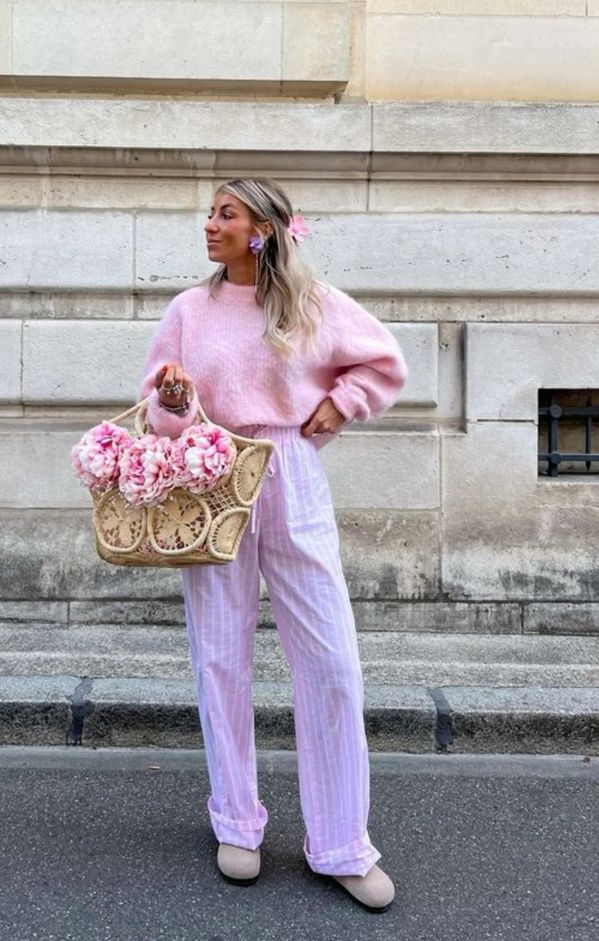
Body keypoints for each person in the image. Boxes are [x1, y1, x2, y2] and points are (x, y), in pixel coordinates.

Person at [139, 178, 408, 912]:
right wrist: (171, 403)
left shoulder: (312, 303)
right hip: (211, 477)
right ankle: (236, 820)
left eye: (225, 214)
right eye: (209, 213)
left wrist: (339, 402)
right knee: (220, 655)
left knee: (329, 660)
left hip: (290, 472)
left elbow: (382, 362)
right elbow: (163, 416)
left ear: (261, 228)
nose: (209, 225)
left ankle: (342, 841)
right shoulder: (188, 311)